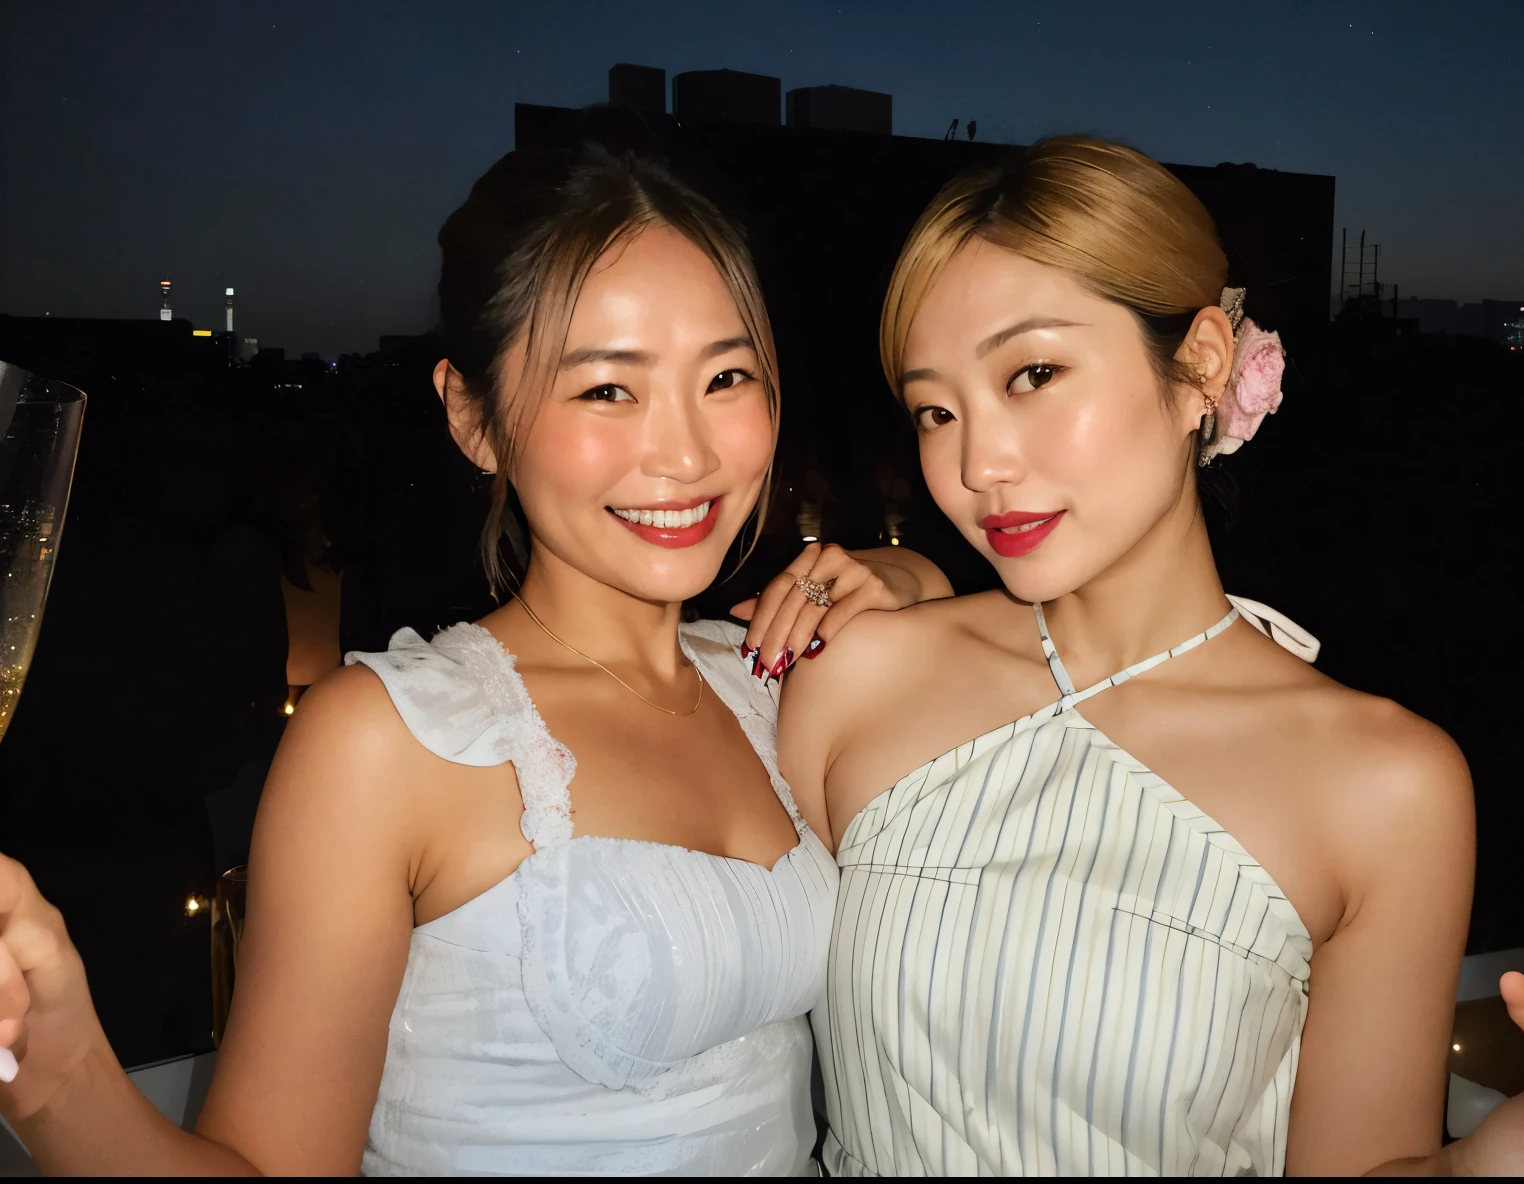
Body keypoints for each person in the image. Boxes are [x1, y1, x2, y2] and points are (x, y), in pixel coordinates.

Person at [0, 146, 950, 1175]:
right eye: (604, 390)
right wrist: (58, 1074)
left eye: (725, 376)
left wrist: (908, 578)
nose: (685, 453)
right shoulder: (389, 739)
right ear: (472, 416)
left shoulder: (766, 680)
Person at [773, 135, 1524, 1176]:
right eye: (935, 410)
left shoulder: (1383, 785)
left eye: (1034, 373)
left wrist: (1493, 1159)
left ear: (1199, 364)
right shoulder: (857, 678)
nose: (977, 463)